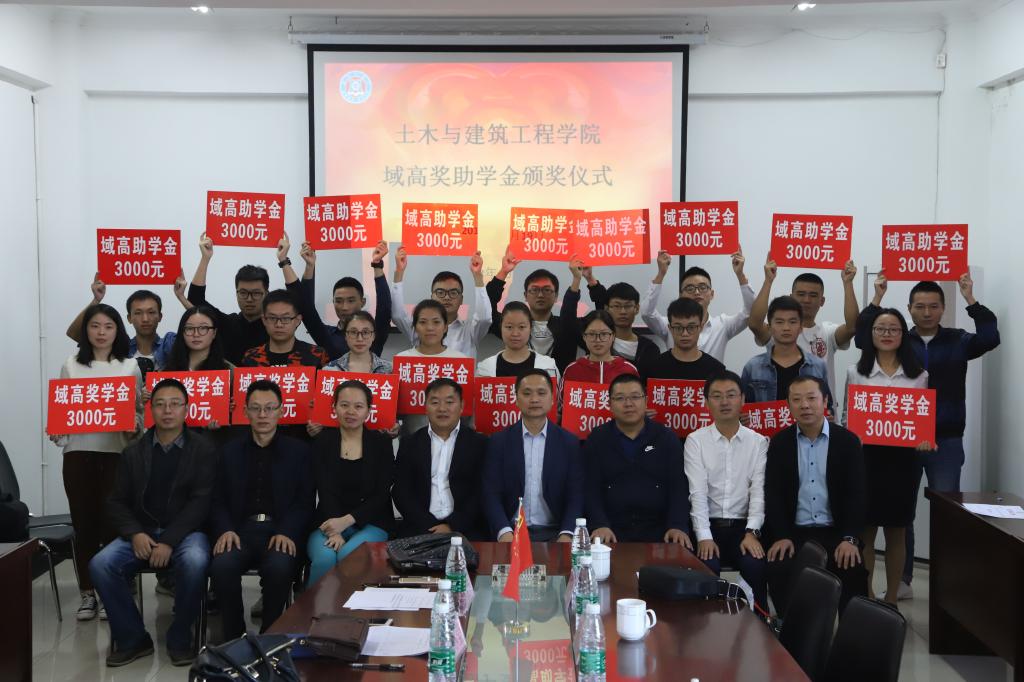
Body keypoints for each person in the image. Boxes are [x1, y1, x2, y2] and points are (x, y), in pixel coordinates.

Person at [856, 271, 1000, 599]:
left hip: (945, 439)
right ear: (909, 308)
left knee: (946, 511)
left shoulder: (958, 340)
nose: (926, 312)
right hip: (901, 441)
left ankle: (947, 582)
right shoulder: (899, 339)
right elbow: (863, 338)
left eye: (933, 306)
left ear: (943, 308)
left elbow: (990, 338)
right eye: (919, 306)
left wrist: (971, 299)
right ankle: (903, 580)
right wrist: (877, 297)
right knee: (901, 513)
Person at [90, 379, 216, 667]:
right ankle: (133, 638)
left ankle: (180, 637)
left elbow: (201, 502)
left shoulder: (204, 450)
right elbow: (116, 502)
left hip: (187, 533)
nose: (167, 410)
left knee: (195, 560)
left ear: (187, 409)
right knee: (101, 564)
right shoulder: (133, 452)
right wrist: (134, 533)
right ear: (151, 410)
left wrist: (169, 540)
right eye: (160, 404)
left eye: (174, 404)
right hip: (142, 532)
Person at [51, 303, 143, 621]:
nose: (101, 332)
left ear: (118, 330)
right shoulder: (71, 365)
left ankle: (110, 592)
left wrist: (134, 425)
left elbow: (139, 414)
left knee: (112, 525)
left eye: (108, 326)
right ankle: (87, 593)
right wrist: (58, 431)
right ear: (85, 331)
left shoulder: (129, 366)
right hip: (78, 454)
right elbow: (63, 411)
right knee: (84, 524)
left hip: (116, 454)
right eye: (95, 326)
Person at [208, 380, 314, 640]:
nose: (263, 415)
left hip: (279, 531)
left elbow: (304, 502)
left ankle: (270, 638)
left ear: (281, 411)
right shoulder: (228, 452)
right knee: (222, 566)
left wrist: (287, 531)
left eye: (269, 408)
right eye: (256, 408)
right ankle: (234, 638)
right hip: (239, 531)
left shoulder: (299, 452)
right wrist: (225, 529)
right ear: (245, 412)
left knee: (280, 567)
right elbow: (216, 499)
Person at [842, 308, 932, 605]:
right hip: (866, 459)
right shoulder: (856, 372)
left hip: (903, 461)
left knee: (897, 530)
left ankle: (892, 598)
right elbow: (847, 417)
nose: (887, 334)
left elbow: (921, 421)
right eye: (880, 329)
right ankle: (867, 596)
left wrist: (924, 439)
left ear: (903, 334)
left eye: (894, 329)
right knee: (866, 530)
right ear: (870, 334)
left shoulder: (919, 375)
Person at [764, 376, 867, 616]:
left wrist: (850, 538)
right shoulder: (779, 443)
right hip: (794, 533)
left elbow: (857, 495)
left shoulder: (848, 442)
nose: (805, 405)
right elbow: (773, 494)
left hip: (836, 532)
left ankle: (849, 635)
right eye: (797, 400)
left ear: (825, 401)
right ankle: (790, 630)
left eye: (811, 398)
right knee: (779, 566)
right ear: (788, 405)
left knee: (852, 568)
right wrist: (781, 535)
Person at [684, 371, 769, 609]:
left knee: (755, 565)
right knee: (706, 567)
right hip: (707, 525)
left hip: (744, 529)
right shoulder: (696, 440)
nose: (724, 402)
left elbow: (758, 491)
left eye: (731, 395)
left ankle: (761, 622)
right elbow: (697, 493)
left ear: (742, 399)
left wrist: (752, 532)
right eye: (717, 396)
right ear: (706, 402)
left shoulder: (758, 442)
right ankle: (705, 626)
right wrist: (704, 536)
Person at [305, 380, 395, 587]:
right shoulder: (322, 441)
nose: (351, 412)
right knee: (325, 558)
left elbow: (382, 494)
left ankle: (351, 609)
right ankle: (315, 608)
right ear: (334, 407)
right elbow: (323, 489)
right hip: (328, 521)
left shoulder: (381, 443)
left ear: (368, 411)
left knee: (350, 555)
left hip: (372, 522)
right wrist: (335, 529)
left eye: (358, 406)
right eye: (344, 405)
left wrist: (347, 521)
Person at [585, 374, 691, 546]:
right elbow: (590, 488)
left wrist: (677, 525)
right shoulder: (597, 439)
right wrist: (599, 524)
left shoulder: (666, 438)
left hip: (660, 531)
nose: (628, 404)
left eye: (635, 397)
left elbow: (678, 487)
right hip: (610, 530)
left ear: (646, 401)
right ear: (609, 404)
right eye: (620, 398)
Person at [481, 369, 583, 542]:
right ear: (516, 398)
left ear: (552, 398)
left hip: (555, 533)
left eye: (541, 393)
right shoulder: (499, 441)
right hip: (511, 532)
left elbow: (576, 494)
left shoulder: (569, 442)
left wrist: (567, 533)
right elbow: (490, 492)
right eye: (527, 393)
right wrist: (503, 532)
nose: (534, 399)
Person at [748, 258, 859, 398]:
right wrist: (768, 281)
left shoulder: (827, 332)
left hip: (818, 409)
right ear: (791, 297)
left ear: (822, 301)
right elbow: (754, 324)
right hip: (778, 408)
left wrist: (848, 283)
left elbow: (852, 327)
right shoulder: (777, 330)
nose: (806, 300)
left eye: (813, 295)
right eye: (801, 294)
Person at [393, 378, 489, 539]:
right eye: (435, 402)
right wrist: (429, 526)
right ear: (425, 407)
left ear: (461, 406)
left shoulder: (480, 444)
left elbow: (481, 492)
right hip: (420, 528)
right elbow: (401, 491)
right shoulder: (410, 443)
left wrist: (452, 525)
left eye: (449, 402)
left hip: (467, 529)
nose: (442, 408)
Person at [281, 237, 392, 359]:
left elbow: (385, 310)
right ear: (333, 302)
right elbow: (306, 307)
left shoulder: (372, 334)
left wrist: (377, 265)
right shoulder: (327, 335)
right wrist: (306, 265)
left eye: (351, 300)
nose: (344, 307)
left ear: (363, 302)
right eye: (339, 301)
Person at [640, 249, 753, 363]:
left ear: (712, 294)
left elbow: (750, 312)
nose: (697, 292)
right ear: (681, 295)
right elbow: (646, 313)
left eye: (702, 287)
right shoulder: (671, 324)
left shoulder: (723, 325)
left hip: (713, 375)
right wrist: (661, 273)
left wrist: (740, 275)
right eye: (690, 288)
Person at [486, 247, 586, 371]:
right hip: (520, 383)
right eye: (534, 290)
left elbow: (575, 315)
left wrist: (577, 279)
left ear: (556, 296)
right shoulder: (513, 326)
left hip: (559, 383)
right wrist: (504, 272)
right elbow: (487, 309)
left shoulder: (568, 326)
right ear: (525, 295)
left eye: (546, 290)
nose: (540, 295)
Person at [66, 276, 191, 372]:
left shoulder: (170, 343)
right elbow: (73, 334)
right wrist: (96, 300)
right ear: (129, 318)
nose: (145, 319)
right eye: (138, 313)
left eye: (151, 312)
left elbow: (201, 329)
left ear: (160, 317)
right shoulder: (121, 346)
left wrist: (182, 297)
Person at [186, 232, 271, 365]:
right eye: (243, 293)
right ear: (236, 293)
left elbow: (301, 306)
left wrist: (284, 262)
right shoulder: (227, 324)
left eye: (256, 293)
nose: (249, 299)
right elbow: (195, 299)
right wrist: (205, 258)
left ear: (266, 294)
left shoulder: (276, 326)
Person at [391, 246, 491, 357]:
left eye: (453, 293)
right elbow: (397, 315)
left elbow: (484, 318)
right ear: (432, 297)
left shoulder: (470, 331)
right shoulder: (421, 327)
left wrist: (478, 276)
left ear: (461, 299)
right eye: (440, 292)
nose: (447, 297)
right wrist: (399, 272)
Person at [741, 296, 833, 410]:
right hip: (769, 422)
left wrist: (828, 414)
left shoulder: (818, 366)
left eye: (792, 322)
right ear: (769, 327)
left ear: (801, 327)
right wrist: (744, 416)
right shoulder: (753, 367)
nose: (786, 328)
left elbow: (828, 406)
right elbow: (741, 408)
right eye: (779, 322)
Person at [394, 299, 470, 436]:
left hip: (453, 439)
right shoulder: (403, 360)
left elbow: (466, 407)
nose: (429, 328)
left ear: (445, 327)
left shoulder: (460, 361)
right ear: (415, 326)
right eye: (423, 322)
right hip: (412, 438)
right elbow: (395, 408)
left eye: (436, 322)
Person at [239, 289, 330, 369]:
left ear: (298, 320)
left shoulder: (316, 355)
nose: (279, 324)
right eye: (272, 318)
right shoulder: (251, 357)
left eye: (285, 318)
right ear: (264, 320)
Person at [587, 280, 661, 377]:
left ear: (637, 308)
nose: (623, 311)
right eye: (617, 306)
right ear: (606, 308)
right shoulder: (597, 342)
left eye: (628, 306)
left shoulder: (650, 349)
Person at [646, 298, 727, 381]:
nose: (685, 333)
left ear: (701, 327)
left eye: (691, 327)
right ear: (670, 328)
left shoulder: (716, 370)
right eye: (678, 328)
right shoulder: (653, 368)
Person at [476, 302, 559, 379]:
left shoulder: (548, 366)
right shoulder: (484, 368)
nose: (515, 333)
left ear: (530, 328)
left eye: (521, 327)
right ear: (501, 327)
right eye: (509, 327)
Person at [561, 310, 639, 386]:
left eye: (604, 334)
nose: (598, 340)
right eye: (592, 334)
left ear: (613, 336)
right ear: (584, 336)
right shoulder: (572, 370)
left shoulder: (628, 370)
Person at [320, 311, 392, 375]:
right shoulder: (331, 369)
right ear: (345, 336)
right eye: (353, 332)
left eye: (365, 332)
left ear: (373, 336)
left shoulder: (389, 369)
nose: (360, 339)